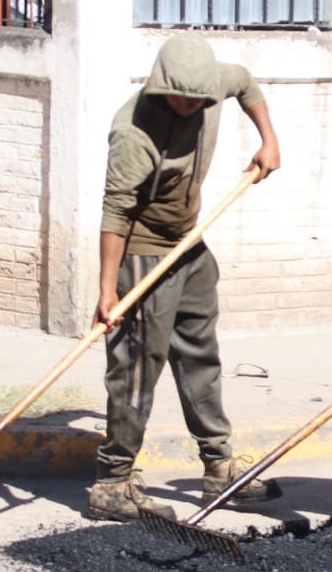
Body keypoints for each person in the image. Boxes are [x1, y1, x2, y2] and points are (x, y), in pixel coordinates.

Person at [86, 34, 282, 522]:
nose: (193, 107)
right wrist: (108, 291)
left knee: (200, 354)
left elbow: (247, 84)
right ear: (160, 88)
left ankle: (218, 465)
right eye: (183, 99)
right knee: (136, 367)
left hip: (188, 244)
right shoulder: (134, 135)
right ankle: (113, 482)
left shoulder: (211, 85)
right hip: (142, 251)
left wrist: (269, 140)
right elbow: (114, 214)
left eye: (201, 100)